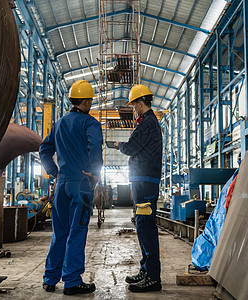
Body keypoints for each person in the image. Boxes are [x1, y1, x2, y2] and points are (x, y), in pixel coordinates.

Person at [40, 80, 103, 295]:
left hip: (62, 186)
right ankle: (72, 281)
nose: (91, 105)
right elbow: (95, 147)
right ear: (85, 102)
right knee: (77, 231)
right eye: (90, 102)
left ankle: (50, 279)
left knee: (60, 233)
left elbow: (44, 149)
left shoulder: (59, 124)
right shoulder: (90, 123)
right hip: (82, 185)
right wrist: (95, 172)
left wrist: (54, 172)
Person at [114, 84, 163, 292]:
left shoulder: (148, 123)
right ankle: (146, 269)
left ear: (140, 103)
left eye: (134, 106)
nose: (133, 109)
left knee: (145, 225)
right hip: (142, 180)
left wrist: (118, 145)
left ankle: (153, 277)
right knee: (142, 224)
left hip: (145, 181)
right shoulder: (147, 122)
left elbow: (132, 148)